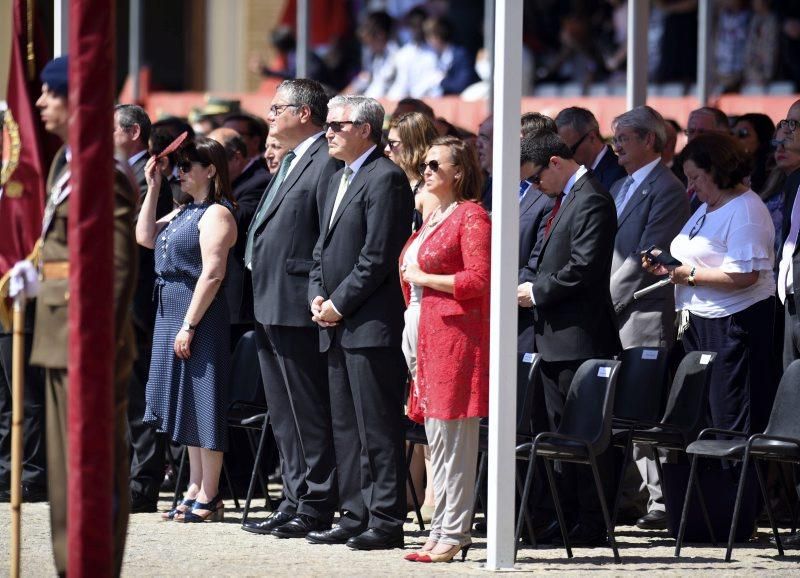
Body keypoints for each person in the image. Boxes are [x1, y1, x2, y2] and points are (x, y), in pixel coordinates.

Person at [31, 55, 137, 575]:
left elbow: (115, 270)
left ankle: (90, 565)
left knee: (89, 470)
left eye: (52, 94)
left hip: (84, 340)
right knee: (63, 473)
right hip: (58, 334)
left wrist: (96, 345)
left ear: (78, 102)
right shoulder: (66, 165)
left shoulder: (103, 173)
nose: (41, 102)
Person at [306, 95, 413, 550]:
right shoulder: (337, 178)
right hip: (336, 320)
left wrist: (338, 303)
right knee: (346, 426)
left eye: (337, 125)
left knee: (378, 426)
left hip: (369, 324)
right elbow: (322, 247)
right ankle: (355, 512)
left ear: (365, 129)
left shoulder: (385, 178)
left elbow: (377, 257)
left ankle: (386, 518)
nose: (328, 132)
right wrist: (317, 292)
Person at [241, 78, 341, 538]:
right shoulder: (291, 159)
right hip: (268, 297)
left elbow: (326, 232)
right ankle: (295, 495)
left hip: (298, 297)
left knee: (307, 408)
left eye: (277, 107)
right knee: (283, 411)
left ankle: (318, 501)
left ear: (304, 113)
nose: (270, 115)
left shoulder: (325, 159)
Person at [516, 131, 620, 546]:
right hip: (553, 336)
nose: (535, 187)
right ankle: (568, 514)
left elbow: (584, 267)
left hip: (579, 337)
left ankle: (593, 519)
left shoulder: (592, 198)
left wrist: (537, 292)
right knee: (559, 433)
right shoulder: (563, 199)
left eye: (537, 178)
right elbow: (544, 256)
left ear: (556, 163)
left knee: (586, 435)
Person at [644, 133, 776, 435]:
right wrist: (667, 266)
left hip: (732, 328)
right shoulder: (709, 205)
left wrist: (688, 275)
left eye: (696, 178)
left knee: (728, 418)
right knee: (699, 416)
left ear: (717, 170)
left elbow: (745, 276)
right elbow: (697, 256)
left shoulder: (746, 210)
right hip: (698, 322)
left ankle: (734, 481)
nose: (691, 186)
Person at [136, 137, 238, 523]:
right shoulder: (183, 211)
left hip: (198, 312)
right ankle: (195, 485)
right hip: (171, 309)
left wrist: (189, 324)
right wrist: (154, 187)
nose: (179, 173)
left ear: (209, 169)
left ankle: (210, 493)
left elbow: (212, 273)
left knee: (203, 399)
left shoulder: (216, 213)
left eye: (185, 166)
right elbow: (144, 236)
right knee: (183, 403)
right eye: (177, 167)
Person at [399, 136, 490, 563]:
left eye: (436, 164)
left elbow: (478, 281)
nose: (427, 169)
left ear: (459, 171)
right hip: (425, 332)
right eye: (424, 164)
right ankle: (441, 526)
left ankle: (454, 530)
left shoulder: (471, 216)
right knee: (436, 436)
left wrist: (423, 276)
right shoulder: (433, 217)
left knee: (454, 435)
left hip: (454, 335)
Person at [608, 105, 690, 531]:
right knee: (622, 409)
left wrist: (606, 303)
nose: (616, 144)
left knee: (644, 408)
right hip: (617, 312)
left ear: (650, 141)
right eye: (614, 137)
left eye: (624, 137)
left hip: (641, 311)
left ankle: (659, 500)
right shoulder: (622, 184)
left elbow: (646, 257)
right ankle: (630, 497)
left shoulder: (667, 188)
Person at [385, 112, 440, 231]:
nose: (386, 149)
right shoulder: (401, 181)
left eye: (392, 143)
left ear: (413, 145)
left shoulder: (430, 191)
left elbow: (430, 242)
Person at [555, 106, 626, 193]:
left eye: (570, 151)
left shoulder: (619, 174)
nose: (566, 158)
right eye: (562, 153)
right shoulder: (573, 174)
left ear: (592, 137)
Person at [731, 113, 776, 194]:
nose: (733, 139)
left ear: (762, 140)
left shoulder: (774, 175)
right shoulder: (729, 170)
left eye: (743, 134)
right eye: (732, 134)